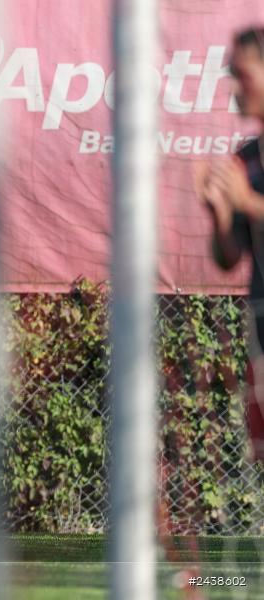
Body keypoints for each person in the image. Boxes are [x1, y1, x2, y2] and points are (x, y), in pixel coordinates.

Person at [196, 27, 264, 463]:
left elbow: (249, 204)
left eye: (243, 75)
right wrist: (220, 213)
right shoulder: (246, 158)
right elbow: (228, 258)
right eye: (231, 75)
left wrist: (247, 201)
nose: (235, 87)